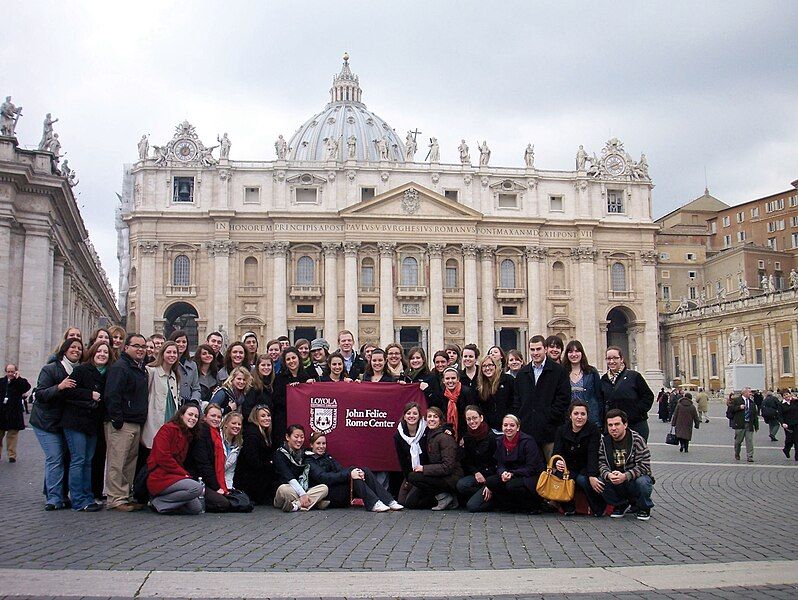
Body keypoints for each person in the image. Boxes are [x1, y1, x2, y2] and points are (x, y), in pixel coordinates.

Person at [31, 338, 83, 510]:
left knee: (63, 457)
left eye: (79, 348)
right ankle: (53, 498)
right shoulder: (50, 369)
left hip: (63, 422)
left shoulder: (78, 370)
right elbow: (39, 394)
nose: (76, 350)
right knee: (55, 457)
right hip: (45, 421)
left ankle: (60, 494)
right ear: (64, 350)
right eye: (73, 347)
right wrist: (59, 387)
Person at [61, 341, 113, 511]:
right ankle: (77, 500)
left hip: (93, 423)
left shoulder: (108, 373)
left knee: (88, 461)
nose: (102, 354)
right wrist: (89, 394)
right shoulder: (81, 370)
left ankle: (88, 496)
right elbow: (67, 391)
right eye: (99, 351)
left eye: (106, 352)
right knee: (79, 459)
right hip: (76, 421)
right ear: (92, 352)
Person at [104, 333, 149, 512]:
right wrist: (117, 419)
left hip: (135, 421)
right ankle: (115, 498)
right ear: (126, 347)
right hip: (122, 423)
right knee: (118, 461)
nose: (140, 350)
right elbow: (112, 394)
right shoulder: (120, 367)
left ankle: (125, 496)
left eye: (143, 347)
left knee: (129, 462)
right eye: (136, 346)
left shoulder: (138, 367)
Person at [306, 431, 402, 511]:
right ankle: (373, 503)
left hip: (336, 487)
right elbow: (323, 477)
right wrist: (350, 474)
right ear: (311, 445)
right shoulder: (309, 460)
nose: (321, 446)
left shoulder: (327, 457)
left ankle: (389, 500)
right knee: (354, 477)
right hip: (328, 494)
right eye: (318, 443)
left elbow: (341, 470)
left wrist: (354, 471)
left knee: (364, 470)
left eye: (324, 443)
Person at [512, 335, 571, 460]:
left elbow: (563, 399)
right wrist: (522, 418)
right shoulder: (522, 373)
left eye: (538, 349)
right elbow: (517, 400)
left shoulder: (559, 371)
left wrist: (548, 417)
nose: (535, 353)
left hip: (550, 430)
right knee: (531, 470)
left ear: (545, 349)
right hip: (528, 431)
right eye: (532, 350)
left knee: (552, 469)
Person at [478, 414, 545, 513]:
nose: (508, 428)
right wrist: (503, 472)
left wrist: (513, 473)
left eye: (512, 425)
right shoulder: (500, 441)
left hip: (529, 475)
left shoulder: (528, 441)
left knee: (512, 485)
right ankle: (510, 506)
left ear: (518, 427)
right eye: (505, 425)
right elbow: (500, 463)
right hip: (510, 474)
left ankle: (532, 506)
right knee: (491, 481)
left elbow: (531, 467)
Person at [146, 403, 204, 515]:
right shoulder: (167, 429)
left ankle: (163, 505)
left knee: (196, 508)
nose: (193, 418)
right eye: (190, 414)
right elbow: (163, 457)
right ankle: (158, 502)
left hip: (174, 476)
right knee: (197, 488)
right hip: (160, 476)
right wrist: (183, 474)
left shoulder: (187, 435)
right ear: (182, 415)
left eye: (196, 416)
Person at [599, 409, 654, 521]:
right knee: (598, 481)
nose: (613, 428)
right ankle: (620, 504)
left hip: (633, 479)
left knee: (643, 482)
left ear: (625, 424)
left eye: (617, 424)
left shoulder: (637, 440)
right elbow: (601, 463)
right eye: (610, 425)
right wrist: (608, 475)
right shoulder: (604, 442)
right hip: (614, 479)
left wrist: (625, 476)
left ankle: (644, 507)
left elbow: (644, 466)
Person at [553, 400, 605, 516]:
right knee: (560, 477)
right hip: (568, 467)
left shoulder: (593, 430)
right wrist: (557, 462)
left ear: (587, 415)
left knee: (584, 480)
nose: (579, 417)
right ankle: (568, 508)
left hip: (585, 467)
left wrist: (592, 475)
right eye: (576, 414)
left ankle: (597, 508)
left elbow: (593, 454)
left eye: (583, 414)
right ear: (570, 415)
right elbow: (556, 453)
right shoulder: (561, 430)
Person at [405, 407, 463, 510]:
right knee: (410, 503)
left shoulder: (445, 438)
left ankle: (444, 497)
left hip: (450, 477)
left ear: (440, 420)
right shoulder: (428, 434)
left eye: (435, 417)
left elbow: (447, 467)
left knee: (413, 476)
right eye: (429, 416)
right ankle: (448, 499)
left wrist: (424, 469)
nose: (431, 419)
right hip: (436, 475)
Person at [599, 346, 654, 442]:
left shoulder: (634, 376)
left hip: (635, 425)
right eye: (608, 358)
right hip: (613, 428)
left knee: (637, 455)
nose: (612, 361)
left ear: (622, 359)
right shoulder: (603, 380)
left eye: (615, 358)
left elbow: (648, 396)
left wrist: (637, 412)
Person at [273, 424, 329, 512]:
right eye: (296, 437)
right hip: (287, 490)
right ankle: (315, 502)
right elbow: (289, 477)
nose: (299, 440)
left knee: (324, 488)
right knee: (283, 489)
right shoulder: (279, 454)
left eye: (302, 437)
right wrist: (303, 494)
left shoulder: (304, 453)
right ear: (287, 437)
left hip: (301, 489)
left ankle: (295, 505)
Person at [186, 404, 232, 512]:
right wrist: (216, 487)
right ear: (205, 417)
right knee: (222, 503)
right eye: (213, 416)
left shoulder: (216, 433)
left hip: (208, 479)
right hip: (197, 478)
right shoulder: (202, 432)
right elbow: (203, 463)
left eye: (219, 417)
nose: (216, 419)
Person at [456, 405, 498, 512]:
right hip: (478, 475)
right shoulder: (467, 437)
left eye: (474, 418)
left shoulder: (492, 438)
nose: (472, 421)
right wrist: (476, 473)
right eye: (468, 419)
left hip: (492, 476)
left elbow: (497, 464)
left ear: (481, 418)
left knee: (472, 506)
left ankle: (497, 499)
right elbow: (467, 461)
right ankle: (483, 494)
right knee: (461, 485)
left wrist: (490, 484)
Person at [142, 342, 181, 456]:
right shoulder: (151, 371)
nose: (172, 355)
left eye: (175, 352)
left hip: (170, 420)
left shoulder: (175, 376)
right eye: (169, 352)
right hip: (153, 420)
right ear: (162, 354)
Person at [233, 405, 275, 504]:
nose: (267, 418)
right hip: (249, 480)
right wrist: (269, 465)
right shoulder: (252, 435)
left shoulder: (265, 433)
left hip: (257, 475)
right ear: (256, 418)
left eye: (268, 415)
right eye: (263, 416)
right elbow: (252, 460)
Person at [394, 402, 428, 506]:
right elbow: (402, 460)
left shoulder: (427, 429)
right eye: (408, 413)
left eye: (415, 413)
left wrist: (447, 429)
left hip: (426, 471)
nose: (411, 416)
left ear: (419, 416)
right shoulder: (398, 435)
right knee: (402, 501)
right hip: (411, 473)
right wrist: (409, 479)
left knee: (411, 503)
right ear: (404, 416)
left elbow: (442, 426)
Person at [273, 347, 312, 437]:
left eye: (293, 358)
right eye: (288, 359)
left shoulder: (306, 376)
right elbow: (277, 401)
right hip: (284, 421)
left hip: (302, 419)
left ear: (298, 358)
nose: (291, 361)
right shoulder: (279, 378)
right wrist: (292, 392)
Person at [563, 340, 603, 427]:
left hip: (590, 418)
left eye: (577, 351)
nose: (574, 354)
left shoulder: (591, 372)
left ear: (582, 353)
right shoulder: (562, 373)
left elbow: (599, 396)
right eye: (570, 352)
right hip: (569, 420)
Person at [0, 364, 31, 463]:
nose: (10, 374)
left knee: (12, 435)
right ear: (6, 372)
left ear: (16, 372)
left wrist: (18, 378)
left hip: (14, 413)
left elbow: (26, 388)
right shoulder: (1, 382)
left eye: (12, 372)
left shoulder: (20, 382)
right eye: (8, 371)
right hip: (1, 412)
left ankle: (11, 455)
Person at [475, 355, 514, 432]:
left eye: (490, 365)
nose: (487, 368)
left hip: (508, 427)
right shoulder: (480, 386)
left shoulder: (508, 380)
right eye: (484, 366)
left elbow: (515, 402)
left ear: (495, 366)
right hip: (490, 430)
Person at [441, 366, 477, 440]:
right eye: (447, 378)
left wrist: (465, 437)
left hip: (466, 433)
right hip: (449, 433)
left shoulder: (466, 392)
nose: (450, 381)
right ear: (443, 380)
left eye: (453, 378)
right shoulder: (442, 394)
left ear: (458, 379)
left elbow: (473, 415)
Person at [727, 387, 759, 462]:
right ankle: (737, 453)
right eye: (749, 392)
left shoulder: (751, 402)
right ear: (744, 393)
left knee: (749, 441)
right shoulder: (737, 400)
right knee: (738, 441)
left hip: (749, 424)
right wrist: (739, 407)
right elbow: (730, 409)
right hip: (740, 424)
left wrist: (756, 425)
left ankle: (750, 456)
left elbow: (755, 415)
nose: (751, 393)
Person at [169, 330, 201, 405]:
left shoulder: (193, 365)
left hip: (188, 406)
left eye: (184, 342)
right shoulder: (168, 363)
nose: (181, 344)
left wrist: (194, 401)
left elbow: (196, 388)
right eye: (178, 341)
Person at [220, 411, 243, 490]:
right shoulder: (218, 439)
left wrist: (228, 489)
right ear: (226, 424)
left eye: (239, 424)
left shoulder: (238, 445)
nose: (237, 426)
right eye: (233, 423)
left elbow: (230, 472)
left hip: (225, 482)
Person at [780, 392, 798, 460]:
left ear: (790, 394)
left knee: (797, 439)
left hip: (796, 423)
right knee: (789, 439)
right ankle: (786, 449)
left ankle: (797, 456)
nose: (786, 396)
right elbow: (780, 415)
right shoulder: (781, 404)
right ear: (783, 397)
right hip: (788, 425)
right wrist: (782, 423)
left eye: (787, 394)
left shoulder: (795, 401)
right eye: (784, 395)